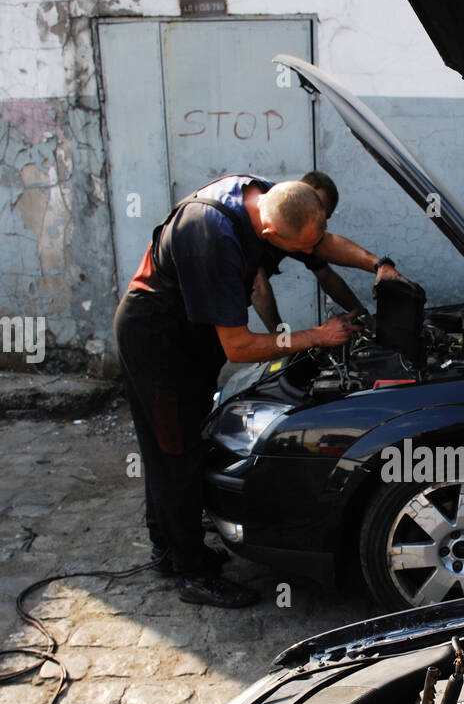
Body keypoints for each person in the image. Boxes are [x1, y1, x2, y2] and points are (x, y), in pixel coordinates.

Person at [114, 173, 400, 608]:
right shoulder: (211, 237)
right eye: (299, 247)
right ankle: (191, 571)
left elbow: (320, 243)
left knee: (179, 443)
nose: (307, 254)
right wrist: (315, 337)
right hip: (158, 343)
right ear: (270, 234)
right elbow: (239, 346)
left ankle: (170, 549)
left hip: (191, 339)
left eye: (311, 243)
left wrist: (380, 264)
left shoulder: (271, 199)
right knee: (173, 453)